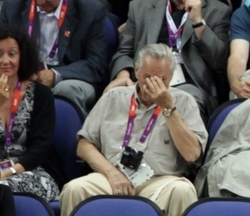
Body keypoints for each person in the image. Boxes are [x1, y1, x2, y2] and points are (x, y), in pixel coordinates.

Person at [60, 43, 207, 216]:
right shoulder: (113, 97)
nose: (153, 85)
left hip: (159, 182)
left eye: (162, 80)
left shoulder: (185, 101)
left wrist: (168, 109)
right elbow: (84, 145)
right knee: (74, 189)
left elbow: (192, 154)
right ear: (136, 71)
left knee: (182, 191)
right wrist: (112, 173)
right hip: (111, 177)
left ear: (172, 76)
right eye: (148, 77)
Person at [108, 0, 232, 120]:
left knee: (185, 102)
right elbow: (124, 51)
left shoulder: (218, 12)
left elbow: (219, 62)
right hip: (145, 81)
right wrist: (123, 74)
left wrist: (198, 23)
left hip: (189, 86)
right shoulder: (140, 8)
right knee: (113, 97)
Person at [0, 0, 106, 116]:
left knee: (65, 89)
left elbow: (96, 64)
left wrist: (55, 75)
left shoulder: (90, 10)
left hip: (70, 78)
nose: (40, 1)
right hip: (24, 74)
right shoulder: (12, 4)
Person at [0, 26, 61, 202]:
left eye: (12, 54)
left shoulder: (41, 94)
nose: (5, 60)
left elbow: (41, 147)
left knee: (2, 188)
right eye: (0, 54)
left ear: (23, 57)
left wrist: (9, 172)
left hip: (31, 170)